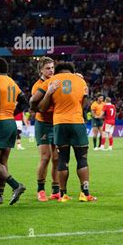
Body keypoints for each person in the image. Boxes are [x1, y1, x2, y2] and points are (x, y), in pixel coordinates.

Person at [38, 62, 96, 203]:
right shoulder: (81, 81)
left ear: (57, 71)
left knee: (62, 159)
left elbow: (42, 108)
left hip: (59, 124)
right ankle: (85, 193)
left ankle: (63, 194)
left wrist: (49, 93)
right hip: (76, 122)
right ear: (72, 70)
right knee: (82, 158)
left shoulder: (51, 81)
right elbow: (83, 105)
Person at [0, 57, 27, 205]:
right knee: (2, 162)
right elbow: (24, 100)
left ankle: (16, 185)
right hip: (10, 123)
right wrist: (12, 112)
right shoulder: (12, 82)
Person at [29, 56, 60, 202]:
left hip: (56, 123)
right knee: (46, 157)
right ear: (41, 69)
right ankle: (40, 190)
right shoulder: (37, 86)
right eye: (48, 68)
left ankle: (56, 190)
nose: (51, 70)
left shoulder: (57, 82)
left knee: (57, 158)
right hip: (43, 124)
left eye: (53, 68)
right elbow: (38, 108)